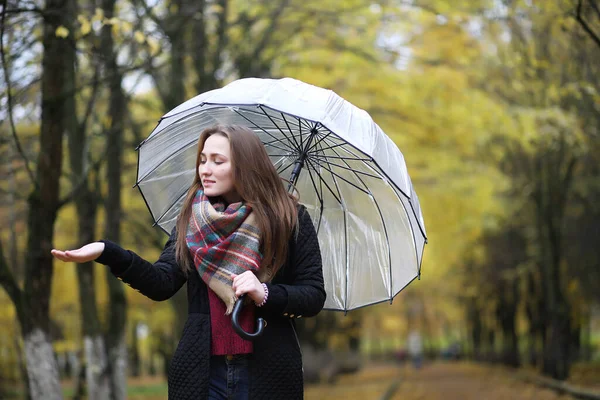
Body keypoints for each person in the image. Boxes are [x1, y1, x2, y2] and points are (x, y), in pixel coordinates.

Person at [52, 125, 326, 400]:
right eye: (203, 160)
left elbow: (313, 295)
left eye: (218, 161)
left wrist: (265, 293)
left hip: (268, 373)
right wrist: (107, 251)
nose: (205, 169)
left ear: (246, 165)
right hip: (203, 374)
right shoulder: (194, 220)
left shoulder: (288, 219)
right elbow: (162, 283)